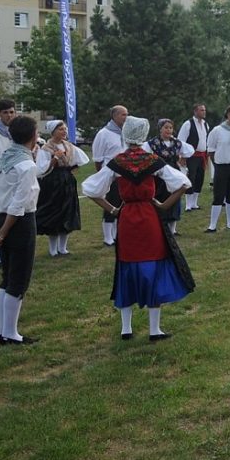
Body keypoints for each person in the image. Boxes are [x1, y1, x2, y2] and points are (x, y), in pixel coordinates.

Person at [82, 116, 194, 342]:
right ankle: (154, 330)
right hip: (149, 217)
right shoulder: (153, 160)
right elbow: (183, 183)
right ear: (143, 134)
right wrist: (163, 205)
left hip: (127, 219)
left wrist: (113, 210)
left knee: (127, 266)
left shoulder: (117, 161)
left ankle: (126, 328)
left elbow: (91, 189)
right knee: (153, 268)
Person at [0, 115, 41, 345]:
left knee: (7, 277)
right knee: (18, 279)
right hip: (17, 223)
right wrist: (2, 233)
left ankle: (3, 330)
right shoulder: (26, 165)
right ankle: (10, 333)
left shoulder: (1, 160)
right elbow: (18, 205)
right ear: (33, 136)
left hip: (0, 218)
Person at [36, 120, 90, 256]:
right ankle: (53, 249)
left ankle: (63, 247)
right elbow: (41, 169)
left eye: (65, 129)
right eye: (61, 129)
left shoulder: (69, 146)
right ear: (53, 131)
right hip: (52, 182)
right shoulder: (46, 148)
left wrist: (72, 168)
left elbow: (82, 159)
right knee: (54, 213)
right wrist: (54, 159)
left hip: (67, 181)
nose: (64, 131)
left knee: (67, 212)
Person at [142, 118, 191, 236]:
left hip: (174, 173)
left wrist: (182, 159)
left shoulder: (177, 142)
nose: (168, 130)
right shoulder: (152, 143)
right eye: (166, 127)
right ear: (160, 129)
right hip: (159, 175)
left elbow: (189, 151)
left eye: (170, 128)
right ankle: (159, 226)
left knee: (174, 199)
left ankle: (172, 228)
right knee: (160, 198)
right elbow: (145, 156)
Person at [92, 105, 128, 246]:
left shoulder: (126, 133)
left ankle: (117, 233)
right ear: (114, 116)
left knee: (122, 205)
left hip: (125, 175)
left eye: (127, 114)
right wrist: (102, 174)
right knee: (111, 204)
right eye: (123, 115)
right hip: (111, 174)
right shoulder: (104, 133)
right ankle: (108, 237)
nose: (126, 117)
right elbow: (98, 158)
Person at [177, 103, 210, 211]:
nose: (204, 112)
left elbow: (206, 140)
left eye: (204, 110)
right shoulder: (188, 124)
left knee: (200, 178)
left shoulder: (206, 124)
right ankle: (188, 204)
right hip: (191, 155)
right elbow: (181, 140)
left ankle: (195, 203)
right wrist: (182, 156)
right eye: (201, 110)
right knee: (191, 177)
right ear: (195, 111)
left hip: (202, 155)